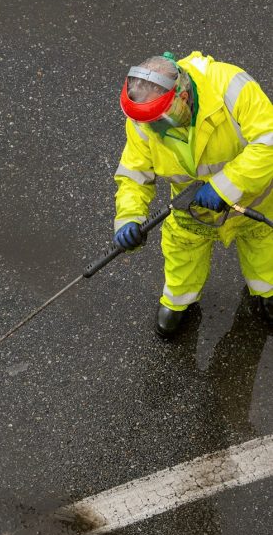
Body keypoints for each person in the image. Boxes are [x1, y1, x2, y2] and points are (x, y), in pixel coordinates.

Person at [113, 51, 273, 336]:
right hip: (192, 211)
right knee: (183, 252)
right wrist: (129, 217)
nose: (152, 130)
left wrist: (224, 186)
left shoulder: (231, 87)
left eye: (157, 121)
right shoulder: (145, 119)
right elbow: (135, 173)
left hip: (254, 199)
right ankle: (178, 302)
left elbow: (268, 141)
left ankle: (267, 292)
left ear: (181, 98)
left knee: (265, 248)